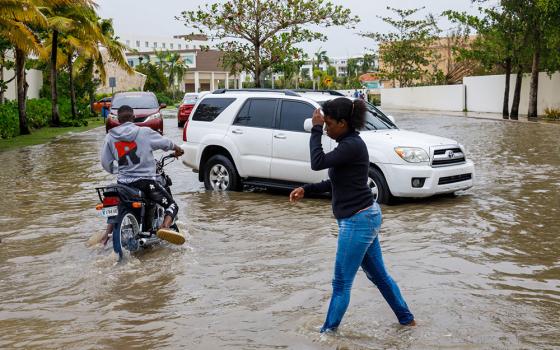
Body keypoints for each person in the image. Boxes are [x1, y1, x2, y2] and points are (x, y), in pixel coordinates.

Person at [289, 97, 415, 332]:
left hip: (358, 220)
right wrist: (306, 190)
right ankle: (407, 320)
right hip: (365, 216)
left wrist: (315, 129)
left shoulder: (352, 146)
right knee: (379, 277)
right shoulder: (348, 145)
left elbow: (317, 163)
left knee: (341, 283)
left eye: (328, 123)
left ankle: (327, 335)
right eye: (323, 124)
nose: (325, 128)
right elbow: (336, 182)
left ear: (343, 123)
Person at [100, 105, 185, 245]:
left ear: (118, 120)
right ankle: (165, 228)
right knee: (172, 205)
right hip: (145, 183)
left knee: (118, 206)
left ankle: (105, 236)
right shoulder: (144, 132)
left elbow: (105, 163)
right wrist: (178, 149)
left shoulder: (110, 137)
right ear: (133, 117)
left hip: (122, 184)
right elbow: (166, 143)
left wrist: (118, 170)